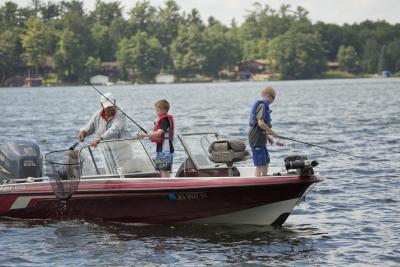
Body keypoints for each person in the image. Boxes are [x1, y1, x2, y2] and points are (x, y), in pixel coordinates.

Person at [138, 100, 174, 178]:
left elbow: (159, 133)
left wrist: (145, 135)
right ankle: (168, 185)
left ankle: (165, 187)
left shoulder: (164, 120)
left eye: (157, 110)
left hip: (165, 149)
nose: (156, 112)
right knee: (163, 169)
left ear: (164, 110)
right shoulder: (165, 119)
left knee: (163, 169)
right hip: (164, 148)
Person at [248, 87, 279, 177]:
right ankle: (258, 180)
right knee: (260, 163)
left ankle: (264, 178)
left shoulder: (264, 106)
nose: (273, 101)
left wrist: (268, 137)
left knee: (266, 161)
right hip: (256, 138)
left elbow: (261, 127)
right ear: (269, 96)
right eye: (273, 98)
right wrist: (272, 133)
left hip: (261, 137)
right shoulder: (262, 106)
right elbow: (261, 124)